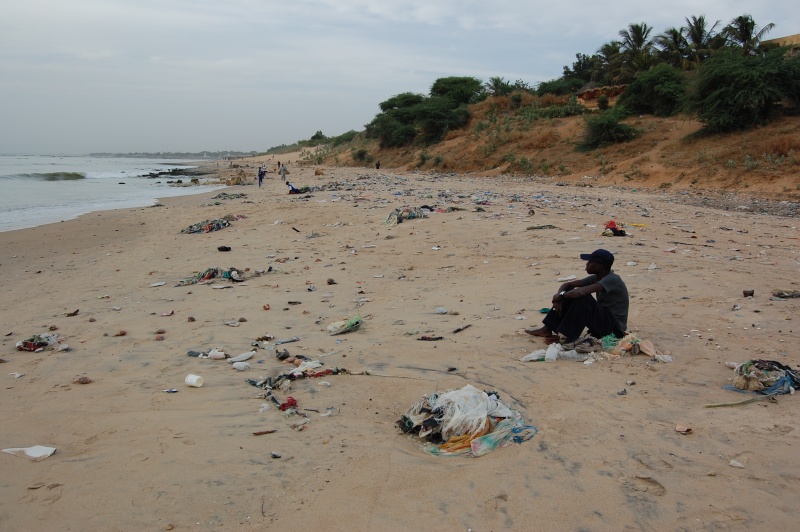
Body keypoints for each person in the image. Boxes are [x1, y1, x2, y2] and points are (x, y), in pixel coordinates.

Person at [527, 249, 628, 345]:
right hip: (603, 321)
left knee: (583, 298)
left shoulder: (612, 279)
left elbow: (582, 292)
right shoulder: (597, 277)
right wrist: (559, 296)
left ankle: (570, 337)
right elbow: (568, 285)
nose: (587, 264)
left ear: (599, 266)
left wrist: (561, 296)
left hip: (614, 329)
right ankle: (547, 328)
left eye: (590, 262)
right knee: (571, 293)